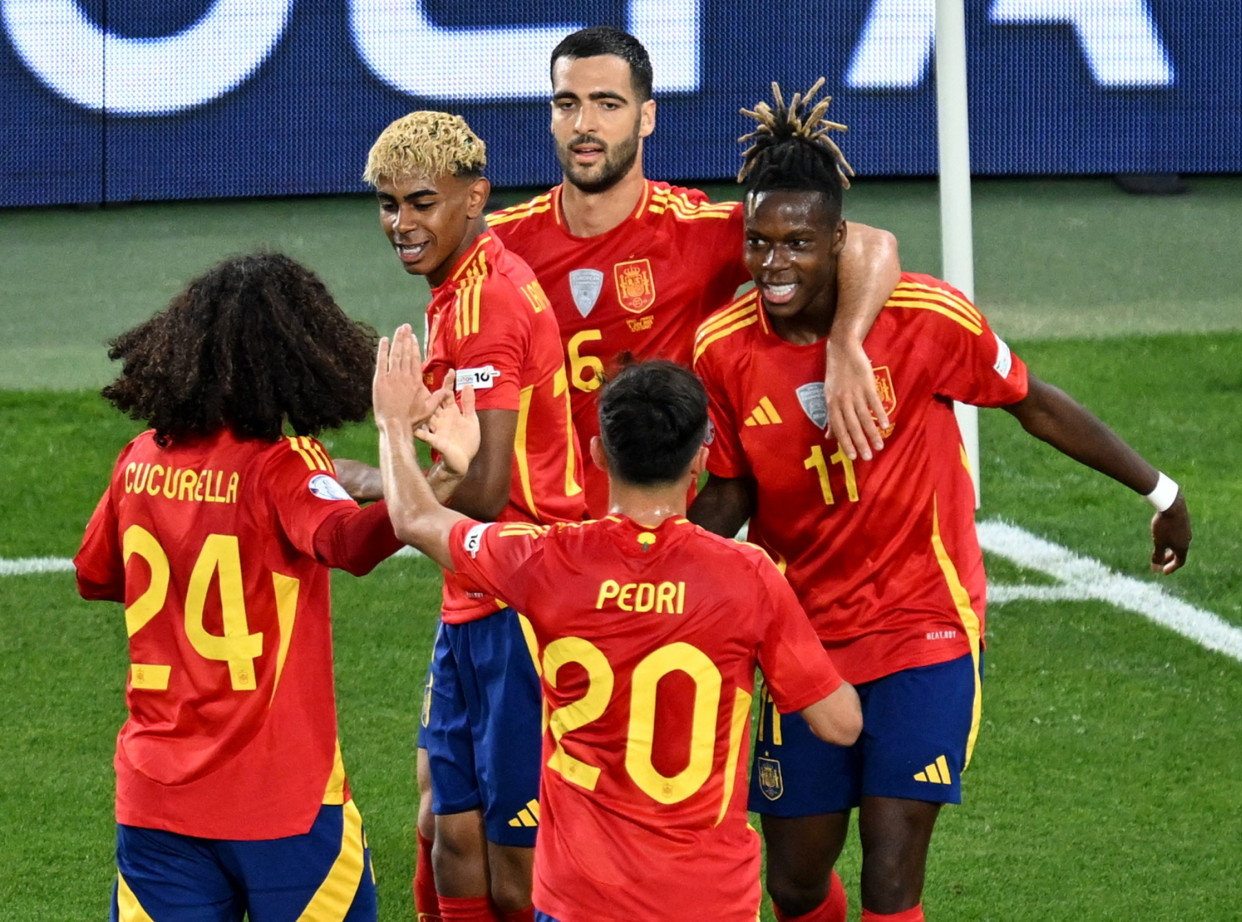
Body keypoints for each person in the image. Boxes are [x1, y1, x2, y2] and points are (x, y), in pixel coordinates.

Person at [687, 82, 1193, 922]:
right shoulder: (723, 348)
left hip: (924, 627)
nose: (775, 264)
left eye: (798, 244)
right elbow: (732, 488)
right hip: (801, 635)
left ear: (838, 242)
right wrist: (648, 561)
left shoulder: (922, 319)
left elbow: (1032, 401)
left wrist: (1160, 489)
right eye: (760, 243)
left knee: (893, 875)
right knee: (796, 883)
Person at [373, 326, 864, 922]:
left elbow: (412, 518)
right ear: (702, 459)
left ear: (600, 454)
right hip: (707, 901)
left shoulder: (546, 559)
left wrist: (395, 425)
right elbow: (839, 724)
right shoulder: (749, 576)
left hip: (581, 901)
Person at [73, 252, 403, 921]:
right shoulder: (280, 467)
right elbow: (348, 543)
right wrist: (419, 492)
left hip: (158, 805)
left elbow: (95, 575)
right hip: (285, 804)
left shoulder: (137, 461)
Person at [487, 25, 903, 518]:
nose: (584, 124)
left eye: (607, 104)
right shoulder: (499, 243)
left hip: (652, 533)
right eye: (567, 104)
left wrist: (845, 343)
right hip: (534, 536)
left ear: (647, 118)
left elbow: (873, 245)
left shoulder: (695, 232)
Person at [357, 111, 587, 922]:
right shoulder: (453, 289)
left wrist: (390, 490)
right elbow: (459, 466)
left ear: (475, 196)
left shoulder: (487, 301)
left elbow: (486, 487)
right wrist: (373, 478)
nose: (401, 223)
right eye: (388, 204)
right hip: (472, 596)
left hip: (519, 608)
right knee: (444, 827)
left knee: (515, 864)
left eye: (421, 201)